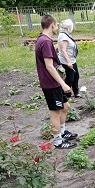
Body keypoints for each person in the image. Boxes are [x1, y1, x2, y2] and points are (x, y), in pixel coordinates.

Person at [35, 14, 78, 149]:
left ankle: (63, 131)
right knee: (55, 112)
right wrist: (63, 83)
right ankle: (58, 141)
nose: (57, 26)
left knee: (65, 107)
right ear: (52, 25)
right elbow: (49, 66)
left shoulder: (43, 39)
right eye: (57, 24)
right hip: (51, 83)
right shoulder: (46, 42)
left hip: (53, 82)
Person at [58, 19, 81, 98]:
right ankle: (67, 95)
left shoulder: (66, 34)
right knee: (69, 79)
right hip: (66, 61)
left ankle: (76, 92)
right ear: (69, 27)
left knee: (76, 76)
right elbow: (63, 50)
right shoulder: (63, 36)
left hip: (72, 59)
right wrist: (68, 62)